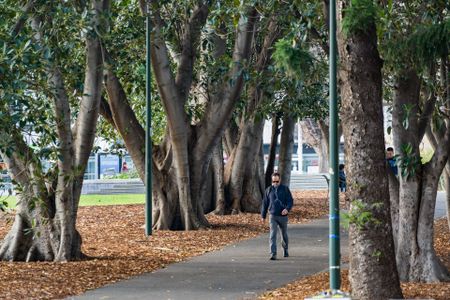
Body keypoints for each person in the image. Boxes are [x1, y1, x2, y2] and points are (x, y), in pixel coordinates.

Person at [261, 172, 294, 260]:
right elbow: (265, 203)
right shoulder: (269, 190)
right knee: (272, 235)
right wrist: (263, 216)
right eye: (273, 181)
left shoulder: (285, 189)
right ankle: (273, 253)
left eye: (277, 181)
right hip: (273, 216)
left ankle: (285, 249)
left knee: (284, 235)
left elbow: (290, 201)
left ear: (280, 180)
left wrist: (287, 209)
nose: (275, 183)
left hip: (283, 216)